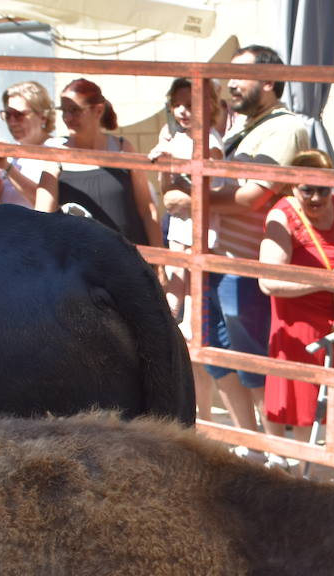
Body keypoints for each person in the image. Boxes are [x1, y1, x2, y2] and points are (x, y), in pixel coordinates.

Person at [170, 44, 310, 436]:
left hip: (245, 264)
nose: (230, 84)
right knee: (215, 358)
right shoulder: (241, 128)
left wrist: (191, 199)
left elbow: (253, 197)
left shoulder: (285, 127)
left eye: (239, 75)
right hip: (215, 260)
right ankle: (251, 444)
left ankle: (271, 448)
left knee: (251, 362)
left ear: (268, 80)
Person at [258, 149, 334, 444]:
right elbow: (269, 282)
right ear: (292, 186)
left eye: (323, 189)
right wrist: (326, 282)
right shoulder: (282, 215)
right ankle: (305, 477)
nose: (315, 198)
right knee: (303, 408)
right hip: (298, 323)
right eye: (307, 190)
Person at [149, 77, 226, 318]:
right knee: (176, 268)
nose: (182, 110)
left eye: (190, 105)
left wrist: (171, 158)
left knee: (193, 271)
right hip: (181, 215)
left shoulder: (209, 138)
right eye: (177, 104)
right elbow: (168, 176)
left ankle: (191, 323)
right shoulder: (179, 136)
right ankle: (171, 316)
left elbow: (211, 179)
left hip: (199, 215)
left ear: (209, 106)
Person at [56, 78, 162, 248]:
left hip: (128, 259)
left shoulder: (123, 148)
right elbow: (43, 214)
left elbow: (147, 209)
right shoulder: (55, 153)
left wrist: (161, 261)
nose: (67, 117)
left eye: (75, 110)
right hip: (80, 265)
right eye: (63, 110)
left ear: (98, 111)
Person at [0, 80, 60, 211]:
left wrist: (8, 168)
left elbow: (44, 204)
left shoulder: (56, 149)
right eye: (8, 114)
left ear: (42, 116)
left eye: (19, 115)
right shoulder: (9, 154)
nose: (12, 122)